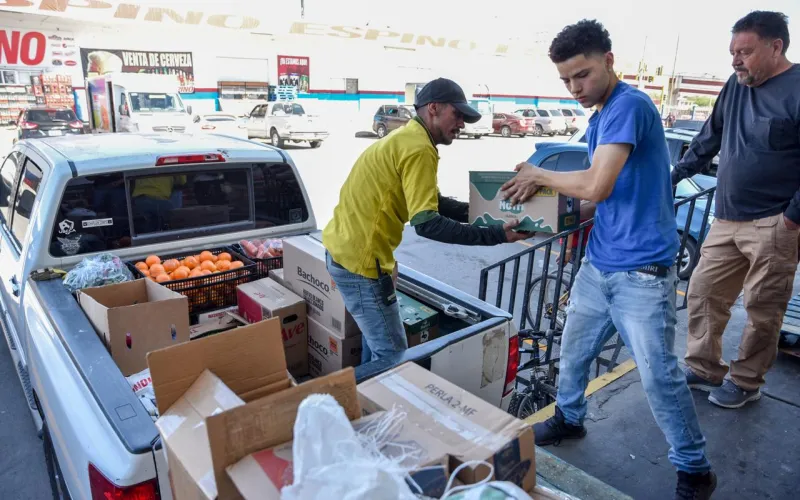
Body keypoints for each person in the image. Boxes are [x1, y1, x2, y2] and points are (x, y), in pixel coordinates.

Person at [501, 20, 716, 499]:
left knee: (659, 378)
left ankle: (695, 469)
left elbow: (595, 185)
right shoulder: (600, 118)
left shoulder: (629, 106)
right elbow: (599, 199)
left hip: (643, 274)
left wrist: (539, 174)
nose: (575, 88)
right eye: (566, 80)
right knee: (574, 352)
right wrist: (543, 221)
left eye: (583, 75)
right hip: (599, 265)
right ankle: (569, 417)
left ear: (610, 61)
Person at [321, 78, 530, 363]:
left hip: (349, 252)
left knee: (378, 342)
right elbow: (427, 223)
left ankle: (368, 388)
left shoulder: (408, 137)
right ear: (433, 108)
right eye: (457, 114)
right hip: (361, 264)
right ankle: (369, 391)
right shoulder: (419, 148)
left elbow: (433, 202)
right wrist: (497, 235)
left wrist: (483, 211)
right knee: (392, 357)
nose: (462, 124)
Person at [672, 11, 800, 410]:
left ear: (776, 47)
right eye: (732, 52)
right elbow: (710, 135)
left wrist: (792, 218)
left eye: (744, 52)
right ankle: (704, 367)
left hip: (775, 221)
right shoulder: (736, 85)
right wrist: (675, 175)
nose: (735, 61)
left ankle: (746, 382)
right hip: (726, 217)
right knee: (703, 292)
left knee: (763, 308)